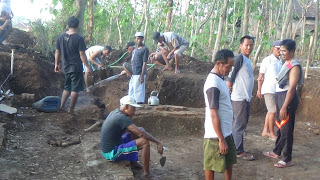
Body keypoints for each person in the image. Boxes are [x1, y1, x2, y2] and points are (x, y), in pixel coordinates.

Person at [101, 95, 164, 179]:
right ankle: (146, 174)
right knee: (144, 142)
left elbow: (138, 131)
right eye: (133, 108)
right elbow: (141, 134)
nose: (135, 111)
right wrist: (158, 142)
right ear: (126, 107)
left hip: (110, 147)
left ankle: (133, 162)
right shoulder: (121, 118)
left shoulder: (116, 112)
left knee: (136, 131)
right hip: (111, 153)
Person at [263, 39, 303, 168]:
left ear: (292, 51)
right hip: (281, 97)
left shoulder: (294, 66)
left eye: (284, 51)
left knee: (286, 129)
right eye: (280, 50)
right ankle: (276, 152)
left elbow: (291, 88)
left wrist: (284, 106)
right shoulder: (286, 63)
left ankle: (286, 158)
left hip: (288, 99)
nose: (282, 53)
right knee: (281, 127)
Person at [203, 49, 236, 180]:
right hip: (215, 135)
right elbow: (213, 114)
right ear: (219, 63)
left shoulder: (220, 79)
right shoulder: (213, 84)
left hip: (225, 131)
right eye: (228, 66)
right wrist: (221, 139)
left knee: (228, 162)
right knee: (211, 165)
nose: (230, 70)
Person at [54, 16, 91, 114]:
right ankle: (71, 110)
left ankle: (61, 107)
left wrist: (56, 64)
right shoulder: (79, 38)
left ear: (68, 25)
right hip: (75, 67)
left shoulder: (60, 37)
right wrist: (87, 66)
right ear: (77, 26)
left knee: (67, 87)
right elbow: (82, 54)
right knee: (75, 89)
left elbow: (57, 51)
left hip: (65, 67)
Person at [226, 35, 255, 161]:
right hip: (239, 97)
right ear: (241, 46)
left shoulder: (246, 60)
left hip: (244, 97)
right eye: (246, 45)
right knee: (239, 124)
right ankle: (238, 151)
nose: (249, 47)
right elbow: (230, 73)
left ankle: (237, 147)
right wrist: (229, 85)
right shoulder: (239, 58)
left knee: (239, 123)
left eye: (251, 45)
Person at [257, 40, 282, 141]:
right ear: (273, 48)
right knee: (273, 111)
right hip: (269, 89)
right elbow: (260, 76)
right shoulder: (267, 60)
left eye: (281, 49)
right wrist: (259, 89)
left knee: (270, 111)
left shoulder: (280, 61)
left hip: (277, 90)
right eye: (277, 49)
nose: (279, 51)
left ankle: (265, 131)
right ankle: (271, 133)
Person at [128, 32, 149, 104]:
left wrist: (142, 75)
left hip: (139, 73)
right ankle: (131, 105)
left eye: (140, 39)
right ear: (135, 39)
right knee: (131, 90)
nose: (139, 40)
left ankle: (139, 106)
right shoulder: (135, 49)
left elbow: (144, 62)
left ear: (143, 39)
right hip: (134, 73)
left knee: (138, 91)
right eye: (137, 39)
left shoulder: (145, 49)